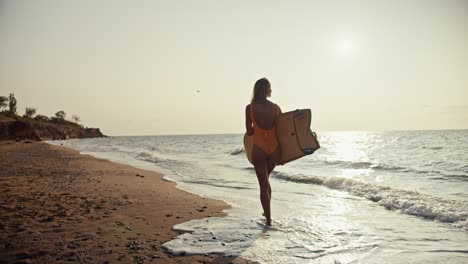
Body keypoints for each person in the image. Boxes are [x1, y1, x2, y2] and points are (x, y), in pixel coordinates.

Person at [245, 78, 282, 226]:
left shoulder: (250, 108)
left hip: (259, 148)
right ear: (267, 90)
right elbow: (283, 129)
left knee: (263, 184)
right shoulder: (276, 108)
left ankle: (268, 220)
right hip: (274, 149)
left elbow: (249, 131)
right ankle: (267, 213)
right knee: (266, 181)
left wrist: (256, 129)